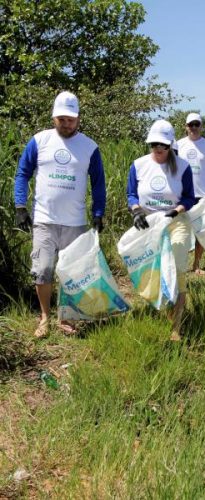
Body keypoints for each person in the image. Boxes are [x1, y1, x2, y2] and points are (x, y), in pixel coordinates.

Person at [14, 91, 106, 338]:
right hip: (44, 219)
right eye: (61, 119)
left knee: (71, 272)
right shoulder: (39, 141)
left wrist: (98, 213)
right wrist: (20, 207)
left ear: (78, 119)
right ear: (54, 117)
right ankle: (44, 316)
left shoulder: (90, 147)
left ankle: (66, 316)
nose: (66, 124)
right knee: (42, 269)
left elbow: (98, 183)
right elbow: (23, 173)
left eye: (71, 119)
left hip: (75, 222)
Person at [127, 120, 195, 341]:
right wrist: (136, 211)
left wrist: (175, 212)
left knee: (176, 264)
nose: (158, 148)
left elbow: (189, 198)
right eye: (154, 144)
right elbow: (131, 194)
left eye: (163, 145)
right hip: (148, 223)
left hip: (176, 221)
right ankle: (163, 309)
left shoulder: (183, 167)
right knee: (152, 269)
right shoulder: (138, 165)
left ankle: (177, 326)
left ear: (170, 145)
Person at [177, 112, 205, 275]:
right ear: (186, 127)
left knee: (201, 232)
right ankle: (180, 265)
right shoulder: (178, 145)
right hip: (182, 194)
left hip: (203, 194)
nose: (194, 127)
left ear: (202, 127)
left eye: (197, 124)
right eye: (191, 125)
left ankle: (196, 264)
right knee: (181, 230)